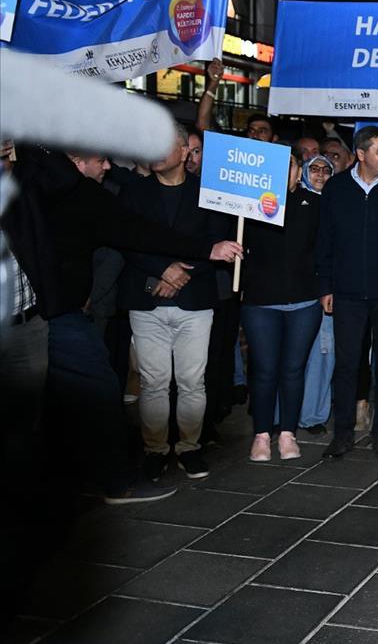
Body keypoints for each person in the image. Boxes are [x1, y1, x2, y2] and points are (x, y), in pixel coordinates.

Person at [4, 142, 241, 505]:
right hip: (43, 315)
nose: (108, 167)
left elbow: (134, 230)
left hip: (39, 316)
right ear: (75, 162)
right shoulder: (33, 183)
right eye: (100, 160)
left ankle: (114, 481)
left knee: (89, 392)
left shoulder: (66, 191)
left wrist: (206, 251)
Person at [118, 125, 232, 482]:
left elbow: (217, 242)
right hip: (146, 298)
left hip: (195, 301)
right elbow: (126, 240)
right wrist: (162, 271)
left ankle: (189, 447)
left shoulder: (208, 193)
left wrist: (181, 274)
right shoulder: (134, 191)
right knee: (153, 382)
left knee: (191, 381)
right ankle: (154, 449)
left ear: (184, 152)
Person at [315, 125, 378, 459]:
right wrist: (325, 286)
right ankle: (343, 434)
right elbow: (325, 239)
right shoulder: (337, 188)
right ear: (361, 154)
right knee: (347, 366)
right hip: (346, 294)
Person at [240, 149, 323, 461]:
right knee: (264, 369)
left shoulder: (314, 204)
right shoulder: (249, 205)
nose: (282, 170)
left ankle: (288, 433)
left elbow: (324, 250)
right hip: (260, 301)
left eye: (289, 165)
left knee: (293, 369)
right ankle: (262, 434)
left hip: (304, 300)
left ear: (299, 170)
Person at [299, 154, 337, 434]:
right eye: (314, 169)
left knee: (323, 355)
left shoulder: (337, 204)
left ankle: (312, 415)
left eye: (326, 170)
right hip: (297, 290)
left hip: (326, 290)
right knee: (292, 358)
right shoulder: (291, 202)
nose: (320, 174)